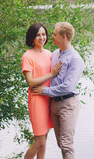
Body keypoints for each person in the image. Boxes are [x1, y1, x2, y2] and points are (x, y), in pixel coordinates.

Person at [32, 22, 84, 159]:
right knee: (61, 144)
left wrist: (45, 91)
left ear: (64, 37)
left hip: (67, 104)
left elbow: (68, 86)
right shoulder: (54, 54)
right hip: (53, 104)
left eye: (55, 34)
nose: (52, 36)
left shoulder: (76, 59)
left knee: (67, 145)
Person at [21, 22, 62, 159]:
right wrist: (51, 75)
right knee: (39, 143)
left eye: (43, 34)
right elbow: (31, 82)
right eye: (38, 35)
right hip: (37, 100)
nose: (41, 38)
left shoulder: (49, 54)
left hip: (48, 99)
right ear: (32, 37)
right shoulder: (28, 56)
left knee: (44, 141)